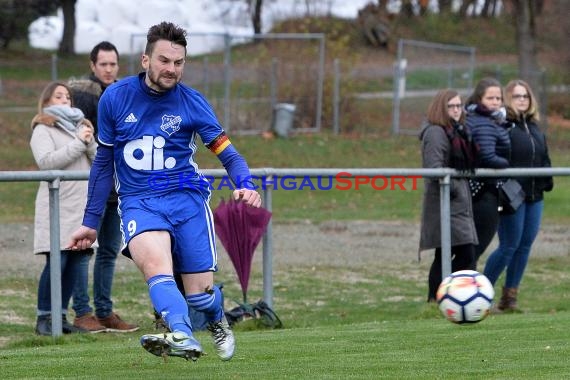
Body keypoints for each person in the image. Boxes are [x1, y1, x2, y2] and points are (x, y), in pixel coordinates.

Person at [67, 21, 261, 362]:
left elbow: (228, 153)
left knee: (199, 295)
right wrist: (91, 220)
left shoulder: (193, 103)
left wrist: (245, 185)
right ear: (145, 60)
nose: (171, 69)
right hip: (139, 202)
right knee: (156, 266)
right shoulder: (115, 98)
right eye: (164, 60)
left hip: (186, 200)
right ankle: (181, 334)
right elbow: (102, 164)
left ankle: (216, 318)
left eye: (179, 62)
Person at [69, 41, 138, 333]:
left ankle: (105, 311)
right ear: (93, 65)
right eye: (103, 64)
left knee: (109, 250)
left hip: (119, 186)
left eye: (113, 64)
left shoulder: (127, 93)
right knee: (84, 250)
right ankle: (83, 312)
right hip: (92, 184)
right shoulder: (82, 96)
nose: (109, 69)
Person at [30, 82, 97, 335]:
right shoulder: (42, 128)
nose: (65, 100)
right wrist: (79, 143)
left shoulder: (80, 127)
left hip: (81, 207)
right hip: (57, 206)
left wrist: (89, 141)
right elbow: (47, 162)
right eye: (58, 96)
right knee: (57, 262)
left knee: (74, 261)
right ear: (47, 102)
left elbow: (98, 160)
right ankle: (44, 318)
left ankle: (61, 317)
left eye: (67, 96)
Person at [483, 79, 553, 312]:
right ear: (507, 99)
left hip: (535, 195)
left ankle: (510, 298)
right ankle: (482, 295)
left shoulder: (534, 126)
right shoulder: (503, 124)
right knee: (509, 245)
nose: (522, 99)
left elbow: (543, 156)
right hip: (512, 194)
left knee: (525, 246)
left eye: (526, 96)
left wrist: (546, 180)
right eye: (517, 96)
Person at [419, 89, 479, 302]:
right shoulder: (436, 132)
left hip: (458, 204)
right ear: (440, 108)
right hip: (445, 203)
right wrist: (454, 188)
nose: (456, 110)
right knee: (463, 254)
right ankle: (439, 298)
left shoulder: (458, 131)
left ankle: (443, 299)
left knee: (458, 253)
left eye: (459, 105)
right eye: (451, 106)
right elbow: (434, 168)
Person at [465, 77, 511, 264]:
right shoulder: (483, 122)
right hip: (484, 191)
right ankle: (458, 288)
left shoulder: (490, 120)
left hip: (481, 190)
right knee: (475, 248)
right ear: (479, 99)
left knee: (471, 250)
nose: (495, 102)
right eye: (490, 98)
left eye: (498, 98)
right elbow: (488, 157)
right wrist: (509, 165)